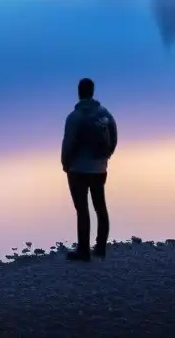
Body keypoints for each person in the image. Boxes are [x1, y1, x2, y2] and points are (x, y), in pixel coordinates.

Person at [60, 77, 117, 261]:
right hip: (99, 169)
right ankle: (100, 247)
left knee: (82, 209)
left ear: (79, 92)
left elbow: (68, 143)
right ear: (92, 92)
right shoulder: (105, 114)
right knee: (100, 206)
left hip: (78, 169)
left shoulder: (74, 117)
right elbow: (114, 138)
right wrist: (106, 157)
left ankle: (83, 250)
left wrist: (65, 163)